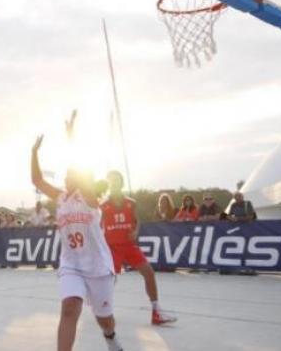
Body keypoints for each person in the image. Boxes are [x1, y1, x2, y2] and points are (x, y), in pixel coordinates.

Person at [31, 125, 124, 351]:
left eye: (71, 174)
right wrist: (34, 153)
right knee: (70, 308)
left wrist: (73, 137)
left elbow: (83, 171)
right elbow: (37, 181)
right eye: (66, 174)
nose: (66, 177)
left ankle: (111, 338)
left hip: (98, 267)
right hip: (71, 264)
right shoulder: (61, 197)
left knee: (105, 319)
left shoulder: (90, 198)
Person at [101, 170, 177, 326]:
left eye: (116, 180)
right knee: (109, 280)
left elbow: (137, 221)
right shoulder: (103, 205)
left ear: (121, 183)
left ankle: (156, 312)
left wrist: (135, 231)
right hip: (112, 247)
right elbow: (96, 226)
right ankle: (102, 308)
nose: (113, 183)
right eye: (111, 181)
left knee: (149, 272)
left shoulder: (131, 202)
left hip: (129, 246)